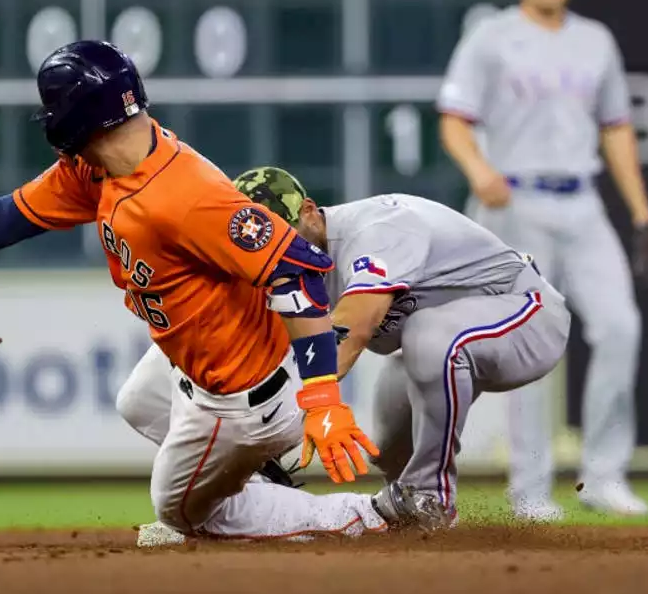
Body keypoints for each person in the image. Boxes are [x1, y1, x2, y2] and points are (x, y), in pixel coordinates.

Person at [0, 40, 436, 543]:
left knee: (180, 513)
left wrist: (322, 396)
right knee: (136, 401)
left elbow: (298, 267)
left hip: (243, 393)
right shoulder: (95, 170)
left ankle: (363, 515)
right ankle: (252, 469)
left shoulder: (186, 197)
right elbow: (7, 215)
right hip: (195, 361)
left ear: (72, 120)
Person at [436, 0, 648, 520]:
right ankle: (531, 489)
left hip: (580, 198)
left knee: (620, 327)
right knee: (529, 343)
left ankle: (605, 476)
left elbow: (615, 127)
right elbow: (454, 119)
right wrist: (479, 169)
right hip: (514, 198)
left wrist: (641, 208)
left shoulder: (596, 41)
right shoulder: (491, 37)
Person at [233, 167, 571, 527]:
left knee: (428, 336)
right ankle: (414, 523)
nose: (280, 250)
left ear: (310, 211)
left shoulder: (377, 228)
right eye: (265, 246)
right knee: (389, 449)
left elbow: (353, 326)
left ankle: (433, 496)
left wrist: (298, 411)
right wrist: (249, 452)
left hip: (527, 314)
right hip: (442, 341)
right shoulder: (281, 275)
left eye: (285, 234)